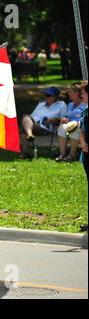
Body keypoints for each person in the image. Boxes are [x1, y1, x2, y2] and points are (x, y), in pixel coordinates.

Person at [19, 86, 67, 158]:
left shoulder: (61, 105)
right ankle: (30, 134)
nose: (46, 97)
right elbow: (31, 116)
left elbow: (65, 119)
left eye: (48, 95)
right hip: (33, 125)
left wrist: (54, 120)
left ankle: (24, 153)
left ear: (55, 97)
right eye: (45, 95)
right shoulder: (41, 104)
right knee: (25, 117)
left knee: (24, 130)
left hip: (46, 127)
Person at [55, 83, 87, 162]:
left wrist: (75, 122)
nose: (68, 94)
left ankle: (72, 155)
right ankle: (62, 154)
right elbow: (67, 117)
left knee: (75, 129)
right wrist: (65, 120)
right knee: (62, 128)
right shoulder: (70, 105)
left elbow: (84, 119)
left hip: (79, 126)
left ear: (76, 94)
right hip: (69, 125)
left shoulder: (85, 105)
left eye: (70, 92)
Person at [78, 81, 88, 232]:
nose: (81, 95)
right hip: (86, 153)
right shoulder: (86, 109)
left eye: (83, 93)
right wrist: (83, 142)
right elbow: (80, 126)